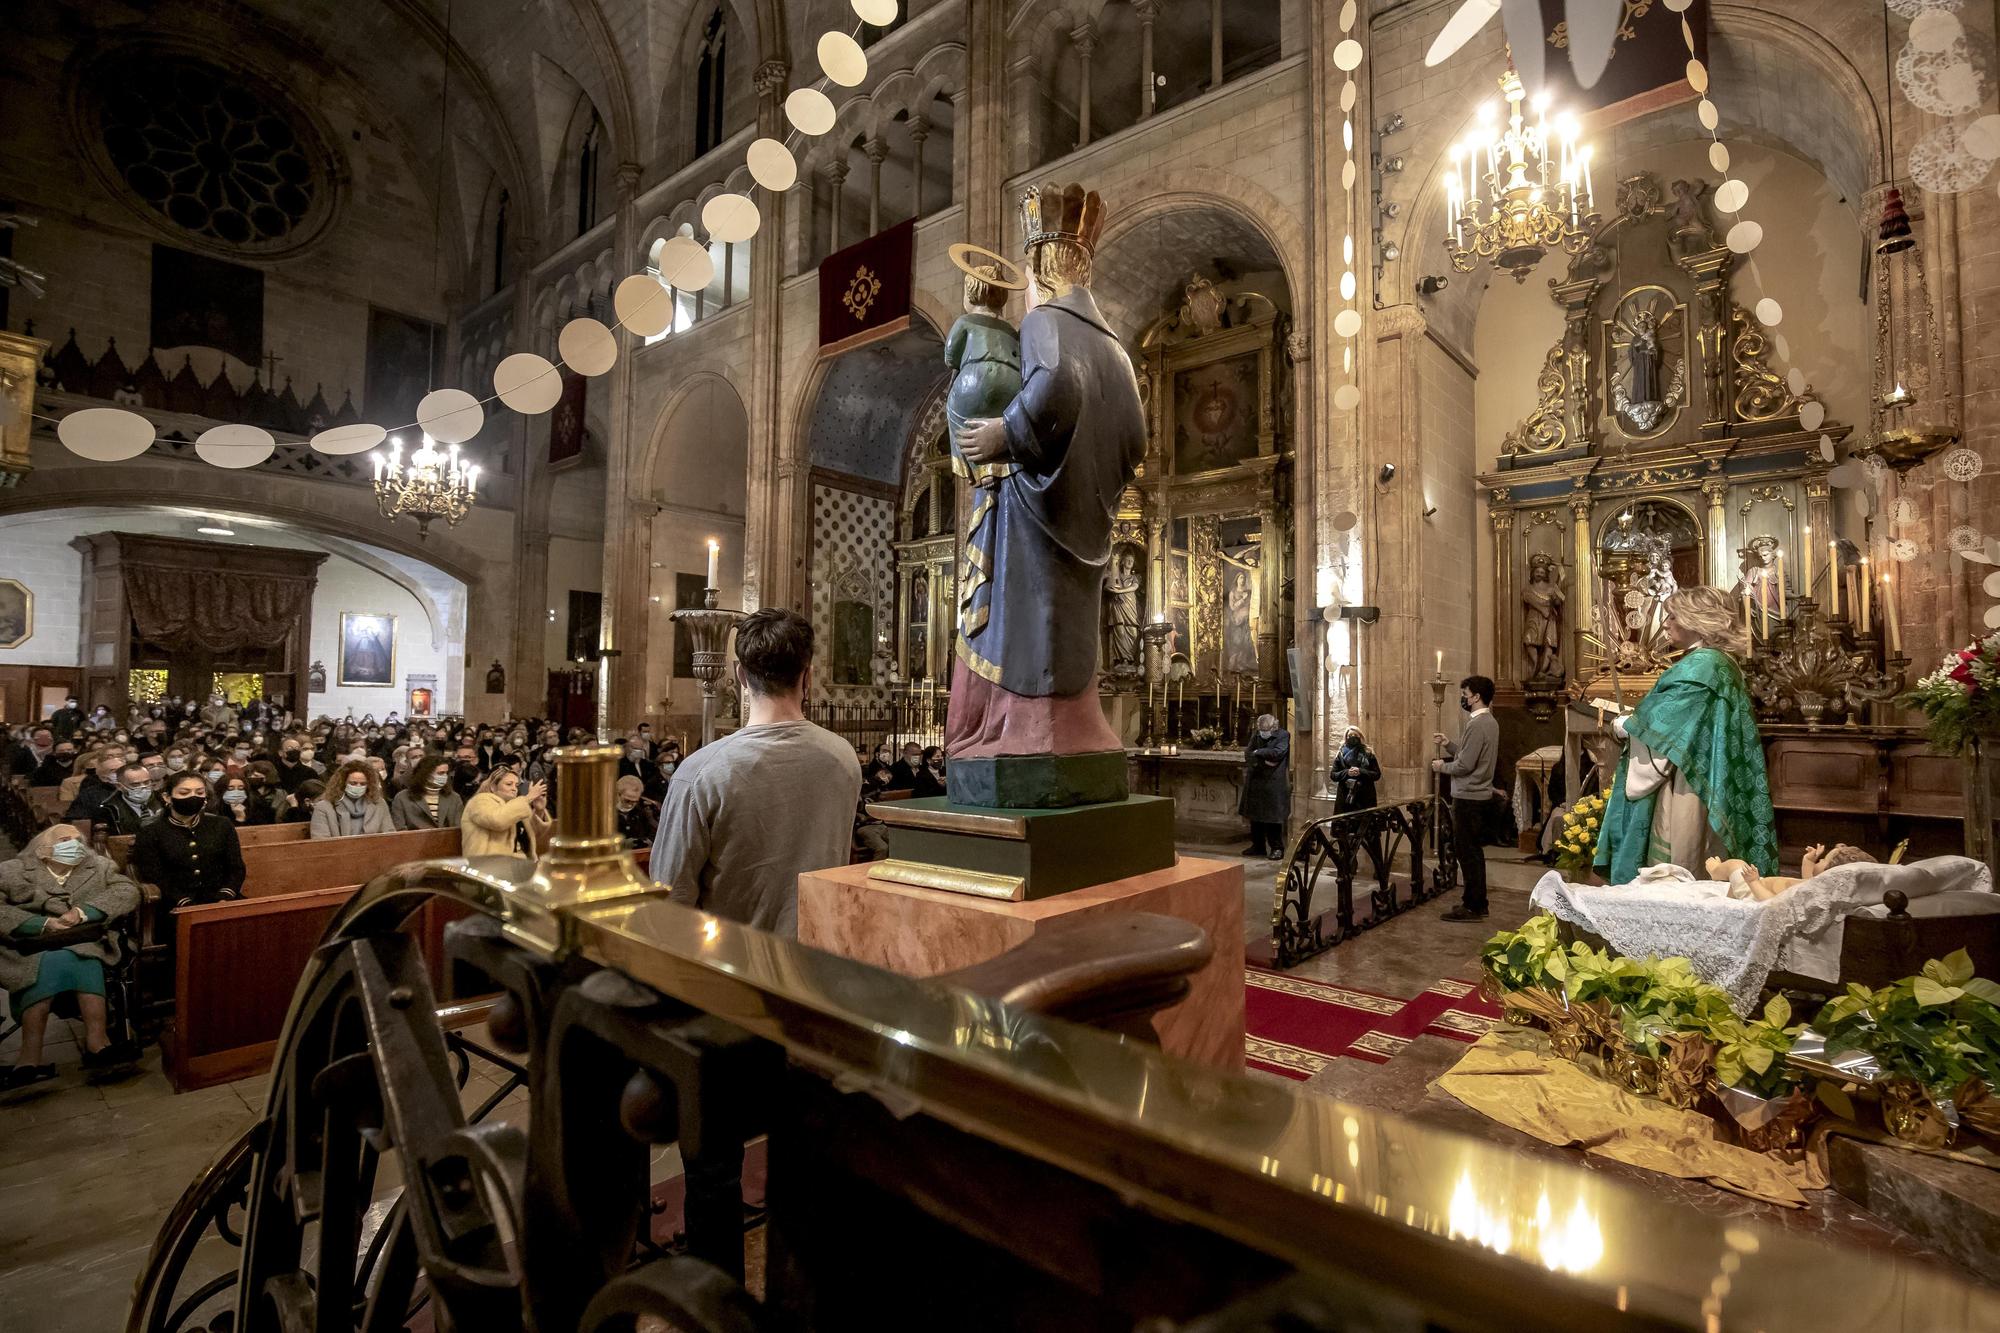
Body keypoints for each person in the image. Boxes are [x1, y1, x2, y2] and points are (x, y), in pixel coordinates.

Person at [946, 183, 1144, 793]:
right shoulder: (1116, 347)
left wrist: (1004, 436)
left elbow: (1054, 382)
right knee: (1070, 635)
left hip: (1033, 514)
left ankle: (1017, 733)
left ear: (1036, 267)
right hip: (1085, 517)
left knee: (1022, 624)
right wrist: (1093, 481)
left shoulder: (1044, 323)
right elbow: (1135, 436)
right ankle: (1078, 733)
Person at [650, 609, 861, 934]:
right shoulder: (843, 757)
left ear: (741, 675)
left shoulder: (700, 773)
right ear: (808, 676)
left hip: (735, 966)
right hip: (819, 961)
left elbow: (669, 898)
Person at [1595, 586, 1777, 886]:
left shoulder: (1700, 665)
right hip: (1710, 773)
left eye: (1672, 616)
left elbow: (1667, 725)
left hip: (1689, 782)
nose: (1666, 623)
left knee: (1680, 858)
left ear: (1696, 621)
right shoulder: (1721, 663)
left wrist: (1626, 725)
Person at [0, 826, 141, 1087]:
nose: (74, 845)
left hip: (87, 938)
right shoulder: (12, 870)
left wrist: (84, 912)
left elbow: (127, 891)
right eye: (65, 841)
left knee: (80, 955)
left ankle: (84, 1045)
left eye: (78, 840)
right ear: (43, 849)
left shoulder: (99, 865)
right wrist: (40, 923)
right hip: (30, 945)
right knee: (49, 960)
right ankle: (80, 1046)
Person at [1432, 675, 1499, 922]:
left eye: (1465, 693)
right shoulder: (1490, 722)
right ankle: (1478, 902)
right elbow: (1469, 752)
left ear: (1476, 696)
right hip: (1478, 795)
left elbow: (1465, 764)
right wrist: (1449, 745)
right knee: (1473, 851)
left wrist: (1442, 766)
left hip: (1469, 796)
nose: (1463, 698)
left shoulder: (1477, 724)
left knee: (1467, 853)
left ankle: (1472, 904)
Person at [132, 774, 246, 910]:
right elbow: (154, 876)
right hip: (176, 903)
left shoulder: (221, 824)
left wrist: (225, 895)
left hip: (222, 900)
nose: (193, 797)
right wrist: (183, 901)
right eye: (184, 793)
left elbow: (236, 867)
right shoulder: (151, 832)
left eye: (199, 792)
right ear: (167, 797)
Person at [462, 768, 551, 859]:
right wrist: (528, 798)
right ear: (493, 787)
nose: (514, 789)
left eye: (516, 785)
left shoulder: (516, 805)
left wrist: (539, 809)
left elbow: (534, 834)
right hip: (488, 864)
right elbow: (497, 821)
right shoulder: (479, 801)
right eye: (509, 784)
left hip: (519, 863)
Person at [1238, 714, 1290, 860]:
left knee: (1273, 818)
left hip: (1273, 782)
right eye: (1261, 730)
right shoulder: (1256, 735)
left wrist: (1258, 753)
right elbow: (1248, 754)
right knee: (1255, 816)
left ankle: (1277, 848)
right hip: (1256, 780)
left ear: (1274, 727)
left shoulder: (1283, 735)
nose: (1263, 732)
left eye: (1265, 730)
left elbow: (1277, 753)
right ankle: (1258, 846)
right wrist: (1262, 761)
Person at [310, 761, 395, 838]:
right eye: (353, 783)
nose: (358, 786)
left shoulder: (379, 803)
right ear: (343, 783)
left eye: (363, 784)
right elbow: (320, 841)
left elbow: (389, 835)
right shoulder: (323, 807)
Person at [392, 755, 465, 831]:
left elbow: (459, 827)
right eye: (440, 773)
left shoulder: (454, 797)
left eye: (446, 773)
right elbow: (400, 828)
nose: (445, 776)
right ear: (426, 774)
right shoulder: (402, 798)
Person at [97, 762, 165, 837]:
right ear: (119, 786)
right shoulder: (109, 810)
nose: (143, 787)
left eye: (146, 782)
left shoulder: (163, 800)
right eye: (135, 784)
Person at [1331, 728, 1382, 814]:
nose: (1353, 737)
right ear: (1346, 738)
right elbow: (1333, 775)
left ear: (1360, 737)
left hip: (1365, 797)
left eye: (1355, 735)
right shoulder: (1340, 754)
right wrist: (1347, 772)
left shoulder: (1368, 753)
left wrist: (1361, 771)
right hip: (1345, 796)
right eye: (1350, 736)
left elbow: (1377, 774)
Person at [613, 775, 659, 850]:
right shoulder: (606, 816)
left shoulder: (641, 813)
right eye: (627, 800)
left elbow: (651, 833)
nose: (631, 804)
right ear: (618, 794)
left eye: (635, 802)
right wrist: (623, 844)